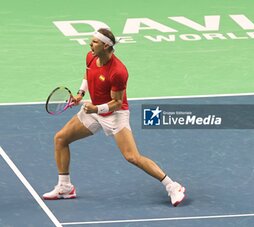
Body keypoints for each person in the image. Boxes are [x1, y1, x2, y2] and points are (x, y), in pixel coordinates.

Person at [43, 28, 186, 207]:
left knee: (132, 157)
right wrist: (80, 94)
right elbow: (87, 74)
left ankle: (172, 186)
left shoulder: (118, 71)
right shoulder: (91, 56)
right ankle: (65, 187)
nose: (90, 44)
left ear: (105, 45)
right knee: (61, 138)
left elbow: (117, 103)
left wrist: (96, 108)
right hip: (94, 112)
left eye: (94, 42)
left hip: (115, 115)